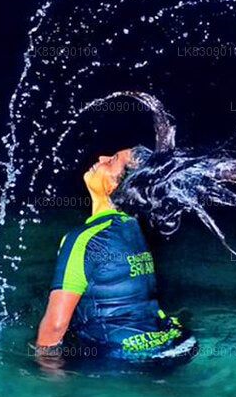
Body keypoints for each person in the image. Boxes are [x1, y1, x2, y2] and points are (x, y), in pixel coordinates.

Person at [33, 146, 197, 362]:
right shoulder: (136, 228)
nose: (101, 157)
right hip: (172, 342)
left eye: (111, 161)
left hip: (118, 356)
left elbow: (55, 327)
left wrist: (43, 372)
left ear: (114, 186)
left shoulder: (84, 239)